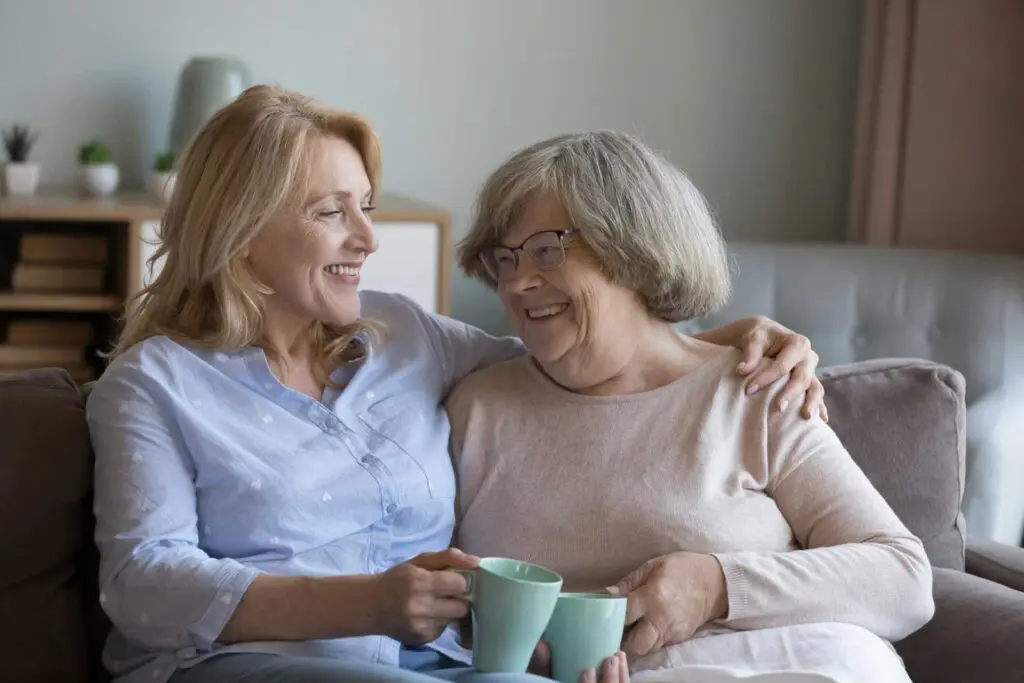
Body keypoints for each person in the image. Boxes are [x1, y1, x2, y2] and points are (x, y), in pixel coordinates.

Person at [86, 85, 826, 683]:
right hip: (240, 664)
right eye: (331, 212)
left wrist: (730, 339)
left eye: (366, 207)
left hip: (438, 663)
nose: (368, 239)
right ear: (241, 232)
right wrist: (367, 603)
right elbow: (141, 582)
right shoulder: (151, 386)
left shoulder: (406, 334)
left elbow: (580, 349)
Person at [446, 131, 936, 683]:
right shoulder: (475, 408)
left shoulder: (756, 387)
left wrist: (716, 586)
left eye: (546, 250)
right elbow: (435, 601)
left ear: (632, 250)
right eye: (505, 259)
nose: (518, 282)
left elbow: (903, 578)